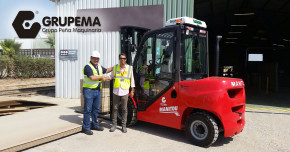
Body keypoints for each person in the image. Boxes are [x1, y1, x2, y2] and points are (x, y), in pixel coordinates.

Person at [82, 50, 112, 135]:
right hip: (89, 91)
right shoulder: (87, 67)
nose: (96, 60)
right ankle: (86, 128)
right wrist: (102, 77)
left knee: (95, 109)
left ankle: (95, 125)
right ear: (91, 58)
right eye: (94, 58)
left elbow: (106, 70)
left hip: (97, 90)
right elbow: (92, 77)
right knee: (88, 110)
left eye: (97, 58)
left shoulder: (98, 66)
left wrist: (115, 67)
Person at [108, 53, 135, 133]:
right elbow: (111, 76)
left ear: (126, 59)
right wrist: (104, 78)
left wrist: (132, 90)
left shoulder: (129, 68)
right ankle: (114, 125)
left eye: (124, 58)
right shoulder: (115, 67)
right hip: (116, 90)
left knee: (124, 109)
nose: (122, 60)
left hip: (125, 91)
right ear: (119, 59)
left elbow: (132, 80)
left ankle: (124, 125)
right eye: (121, 58)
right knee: (115, 108)